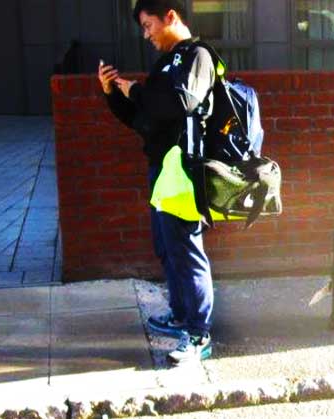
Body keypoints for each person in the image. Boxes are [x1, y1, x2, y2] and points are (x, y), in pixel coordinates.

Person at [98, 0, 215, 365]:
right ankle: (181, 314)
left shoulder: (197, 55)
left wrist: (136, 92)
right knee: (166, 248)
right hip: (162, 170)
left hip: (182, 170)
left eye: (149, 25)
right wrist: (112, 93)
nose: (146, 35)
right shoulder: (165, 62)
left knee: (186, 251)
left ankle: (199, 334)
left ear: (171, 17)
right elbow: (143, 118)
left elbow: (183, 100)